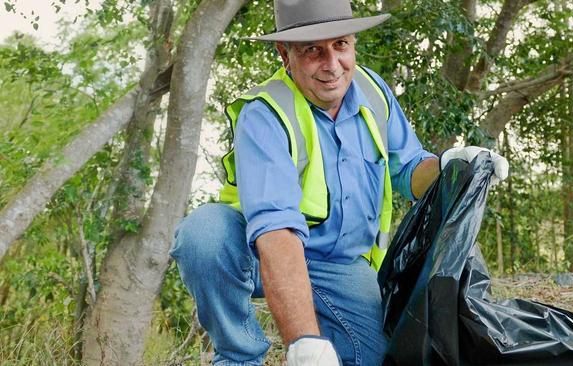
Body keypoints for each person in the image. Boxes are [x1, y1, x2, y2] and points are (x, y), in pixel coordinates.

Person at [170, 1, 509, 365]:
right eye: (312, 50)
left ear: (353, 43)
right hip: (257, 255)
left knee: (380, 359)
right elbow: (276, 230)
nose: (331, 65)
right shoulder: (265, 113)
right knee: (204, 233)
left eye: (340, 45)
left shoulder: (372, 93)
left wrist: (447, 166)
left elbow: (409, 168)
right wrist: (304, 341)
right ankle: (239, 354)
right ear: (285, 55)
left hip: (341, 265)